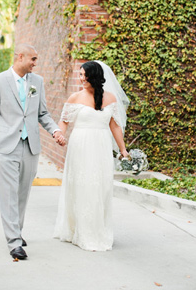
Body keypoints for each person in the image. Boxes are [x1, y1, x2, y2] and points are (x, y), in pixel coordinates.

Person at [0, 43, 66, 260]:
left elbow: (42, 113)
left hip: (30, 146)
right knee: (8, 194)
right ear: (20, 57)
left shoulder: (37, 82)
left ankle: (16, 231)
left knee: (22, 193)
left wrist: (55, 130)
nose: (35, 63)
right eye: (33, 59)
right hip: (6, 146)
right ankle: (14, 242)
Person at [53, 60, 129, 251]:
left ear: (95, 76)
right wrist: (60, 134)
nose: (82, 78)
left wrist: (123, 149)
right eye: (80, 75)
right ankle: (79, 230)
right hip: (80, 146)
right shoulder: (75, 97)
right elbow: (64, 121)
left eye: (85, 75)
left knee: (100, 187)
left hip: (101, 146)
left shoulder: (110, 98)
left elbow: (115, 126)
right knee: (82, 185)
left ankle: (98, 230)